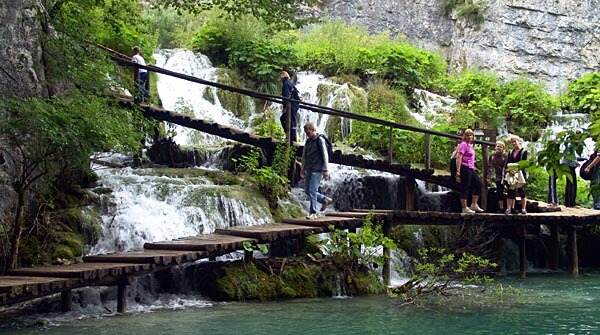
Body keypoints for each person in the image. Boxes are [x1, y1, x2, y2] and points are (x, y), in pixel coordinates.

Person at [301, 122, 333, 219]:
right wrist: (302, 169)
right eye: (306, 133)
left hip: (318, 169)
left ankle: (313, 213)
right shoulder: (308, 141)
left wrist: (326, 169)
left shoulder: (320, 140)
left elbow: (325, 155)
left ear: (313, 130)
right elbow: (304, 156)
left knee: (312, 191)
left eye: (308, 132)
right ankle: (325, 200)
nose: (307, 134)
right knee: (307, 191)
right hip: (309, 169)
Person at [455, 129, 484, 213]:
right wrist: (458, 171)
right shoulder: (463, 144)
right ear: (464, 136)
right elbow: (459, 157)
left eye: (471, 135)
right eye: (467, 135)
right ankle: (464, 208)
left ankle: (474, 205)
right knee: (465, 187)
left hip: (471, 168)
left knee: (478, 184)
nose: (469, 137)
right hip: (464, 167)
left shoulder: (470, 145)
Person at [505, 136, 528, 214]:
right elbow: (508, 162)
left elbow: (524, 163)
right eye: (512, 142)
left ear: (518, 141)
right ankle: (508, 209)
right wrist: (510, 170)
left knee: (521, 190)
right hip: (511, 173)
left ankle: (523, 208)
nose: (514, 143)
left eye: (515, 141)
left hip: (520, 173)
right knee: (511, 190)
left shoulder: (524, 151)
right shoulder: (511, 152)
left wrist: (516, 170)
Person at [487, 141, 508, 213]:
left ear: (503, 148)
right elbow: (490, 167)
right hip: (498, 175)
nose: (498, 148)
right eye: (497, 146)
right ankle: (501, 207)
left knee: (511, 191)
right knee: (499, 191)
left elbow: (505, 167)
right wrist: (489, 176)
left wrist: (504, 177)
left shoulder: (505, 155)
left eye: (500, 147)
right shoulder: (492, 155)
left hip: (507, 175)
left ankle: (510, 208)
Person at [279, 71, 300, 144]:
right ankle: (291, 137)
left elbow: (286, 96)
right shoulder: (290, 83)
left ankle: (291, 138)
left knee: (285, 119)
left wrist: (285, 107)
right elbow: (296, 95)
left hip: (291, 105)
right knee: (291, 120)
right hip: (295, 104)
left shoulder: (285, 84)